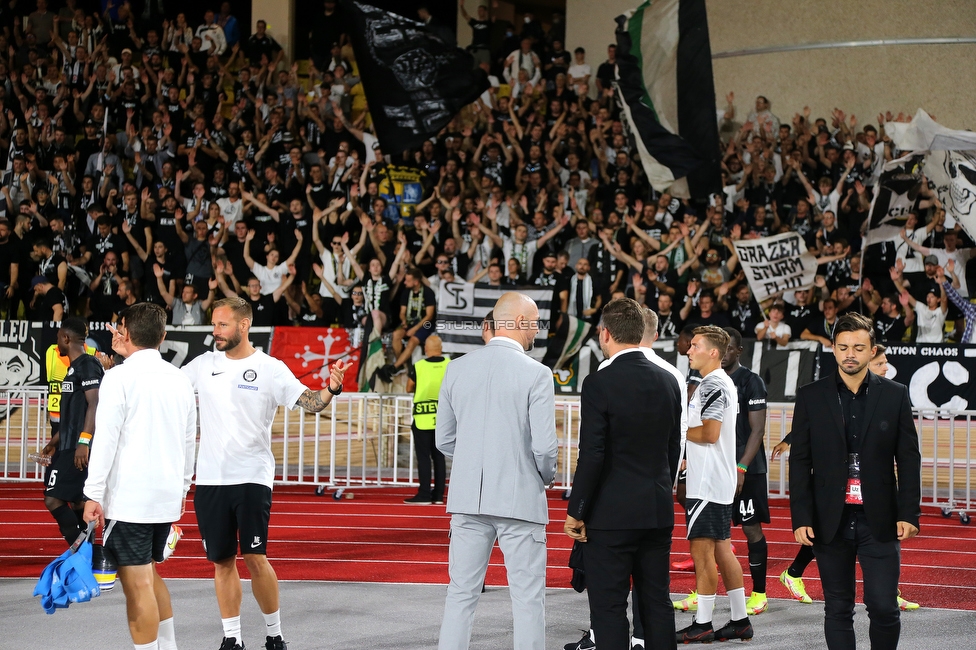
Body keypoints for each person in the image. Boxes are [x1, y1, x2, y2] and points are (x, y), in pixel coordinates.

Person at [181, 297, 348, 650]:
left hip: (252, 476)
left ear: (244, 325)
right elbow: (165, 387)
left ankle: (275, 635)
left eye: (223, 325)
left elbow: (312, 403)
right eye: (214, 324)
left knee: (255, 557)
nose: (216, 332)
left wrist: (331, 388)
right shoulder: (202, 364)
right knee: (222, 562)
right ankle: (232, 639)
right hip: (211, 479)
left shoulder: (270, 368)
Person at [789, 313, 921, 649]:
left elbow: (907, 458)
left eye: (859, 348)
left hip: (880, 519)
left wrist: (908, 513)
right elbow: (801, 460)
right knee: (837, 608)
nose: (851, 353)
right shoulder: (810, 395)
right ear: (833, 349)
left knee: (884, 607)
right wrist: (801, 517)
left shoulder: (895, 394)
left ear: (871, 350)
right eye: (844, 347)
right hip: (828, 520)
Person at [435, 292, 558, 650]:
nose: (537, 329)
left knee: (461, 594)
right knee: (528, 598)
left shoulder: (456, 368)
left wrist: (478, 457)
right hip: (520, 499)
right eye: (534, 322)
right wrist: (542, 477)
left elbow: (444, 438)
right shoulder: (537, 373)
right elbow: (545, 448)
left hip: (467, 499)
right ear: (519, 322)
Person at [565, 299, 682, 650]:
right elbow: (673, 450)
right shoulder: (670, 381)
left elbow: (593, 455)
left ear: (605, 334)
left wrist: (577, 510)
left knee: (610, 608)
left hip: (610, 516)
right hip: (657, 510)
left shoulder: (599, 382)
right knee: (657, 603)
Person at [82, 303, 198, 650]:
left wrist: (93, 494)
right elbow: (190, 440)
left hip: (131, 499)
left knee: (137, 587)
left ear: (126, 333)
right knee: (149, 574)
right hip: (164, 497)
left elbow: (106, 439)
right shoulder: (180, 379)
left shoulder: (119, 377)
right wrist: (181, 490)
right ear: (163, 337)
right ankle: (169, 646)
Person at [677, 325, 753, 643]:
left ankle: (703, 623)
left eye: (695, 345)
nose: (688, 350)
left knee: (702, 552)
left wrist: (675, 431)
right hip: (715, 479)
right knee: (722, 550)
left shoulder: (712, 385)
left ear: (713, 352)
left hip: (707, 483)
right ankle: (739, 619)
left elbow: (709, 434)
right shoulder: (719, 383)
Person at [39, 318, 101, 545]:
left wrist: (84, 442)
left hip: (78, 447)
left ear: (67, 338)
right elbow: (73, 415)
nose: (57, 344)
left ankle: (79, 549)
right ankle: (87, 550)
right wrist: (54, 441)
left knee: (52, 499)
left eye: (58, 339)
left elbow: (95, 403)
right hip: (67, 444)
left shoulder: (87, 364)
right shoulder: (74, 367)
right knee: (77, 502)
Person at [404, 335, 449, 505]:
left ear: (426, 349)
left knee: (423, 457)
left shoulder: (419, 366)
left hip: (422, 418)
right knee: (439, 457)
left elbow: (409, 386)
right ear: (441, 348)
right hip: (443, 418)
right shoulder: (449, 364)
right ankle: (438, 496)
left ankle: (424, 494)